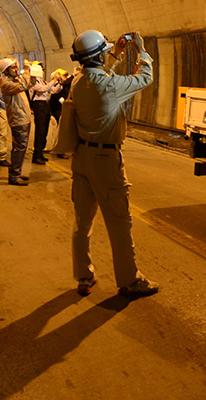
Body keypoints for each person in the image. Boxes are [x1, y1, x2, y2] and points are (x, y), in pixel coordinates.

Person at [68, 30, 159, 298]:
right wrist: (142, 51)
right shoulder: (108, 85)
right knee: (119, 223)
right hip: (105, 161)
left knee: (82, 223)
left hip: (82, 158)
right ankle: (129, 280)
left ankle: (84, 276)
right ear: (98, 56)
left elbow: (96, 69)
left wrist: (115, 55)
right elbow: (145, 78)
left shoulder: (78, 80)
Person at [0, 58, 32, 185]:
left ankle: (17, 171)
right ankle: (14, 176)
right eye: (12, 68)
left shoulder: (14, 81)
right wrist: (27, 70)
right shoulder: (5, 84)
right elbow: (23, 86)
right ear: (5, 71)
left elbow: (28, 84)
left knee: (21, 147)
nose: (16, 70)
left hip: (24, 117)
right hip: (18, 119)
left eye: (16, 67)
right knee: (19, 147)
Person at [29, 65, 61, 164]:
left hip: (45, 105)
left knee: (45, 129)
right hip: (39, 105)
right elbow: (42, 89)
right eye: (42, 69)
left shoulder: (43, 81)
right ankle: (36, 154)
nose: (43, 71)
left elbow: (53, 90)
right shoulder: (33, 81)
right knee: (40, 129)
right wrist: (53, 81)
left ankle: (41, 152)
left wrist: (59, 83)